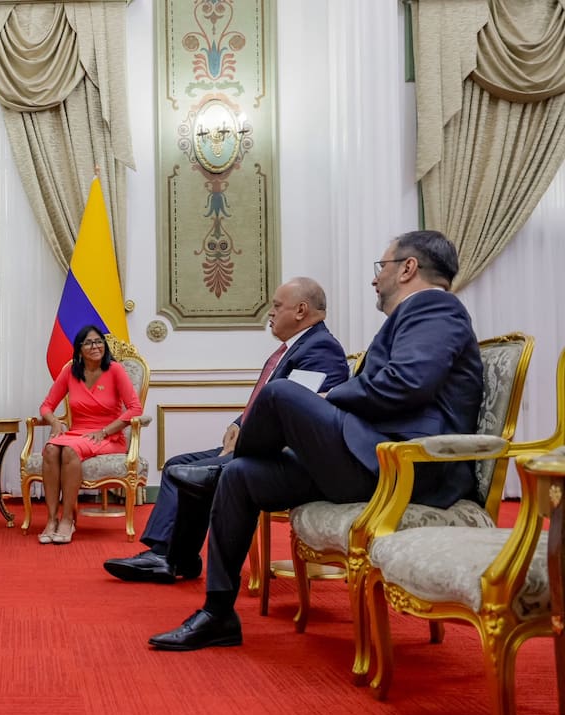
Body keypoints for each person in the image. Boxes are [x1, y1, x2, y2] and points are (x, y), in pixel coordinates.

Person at [149, 230, 483, 651]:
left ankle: (217, 469)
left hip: (404, 468)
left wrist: (328, 398)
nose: (375, 278)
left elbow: (406, 383)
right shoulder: (414, 316)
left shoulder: (434, 307)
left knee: (282, 394)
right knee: (241, 477)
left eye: (381, 267)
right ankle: (218, 614)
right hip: (371, 457)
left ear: (408, 269)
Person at [103, 278, 348, 583]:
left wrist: (248, 434)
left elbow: (298, 413)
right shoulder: (297, 347)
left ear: (301, 310)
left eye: (276, 306)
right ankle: (172, 556)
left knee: (192, 474)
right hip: (258, 445)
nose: (270, 313)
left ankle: (170, 558)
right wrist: (238, 424)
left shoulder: (321, 348)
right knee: (178, 465)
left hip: (280, 457)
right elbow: (270, 402)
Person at [37, 325, 144, 545]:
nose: (95, 346)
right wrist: (55, 422)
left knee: (69, 450)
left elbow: (135, 409)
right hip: (77, 432)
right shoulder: (70, 371)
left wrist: (106, 431)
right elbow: (46, 406)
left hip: (108, 437)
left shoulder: (115, 370)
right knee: (50, 448)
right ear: (79, 349)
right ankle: (51, 520)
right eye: (88, 343)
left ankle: (67, 520)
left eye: (98, 341)